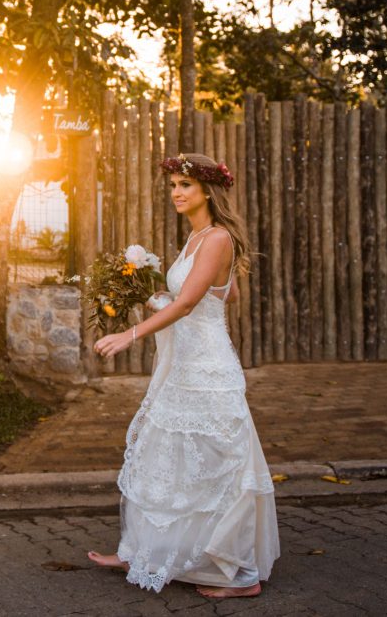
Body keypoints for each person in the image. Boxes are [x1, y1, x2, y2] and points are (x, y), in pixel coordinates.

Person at [88, 153, 280, 599]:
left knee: (216, 463)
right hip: (186, 364)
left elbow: (191, 305)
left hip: (206, 370)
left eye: (184, 185)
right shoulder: (198, 237)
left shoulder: (214, 238)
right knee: (164, 453)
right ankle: (142, 551)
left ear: (207, 192)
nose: (176, 192)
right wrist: (157, 295)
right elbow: (224, 293)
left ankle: (237, 575)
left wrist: (129, 334)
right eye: (173, 184)